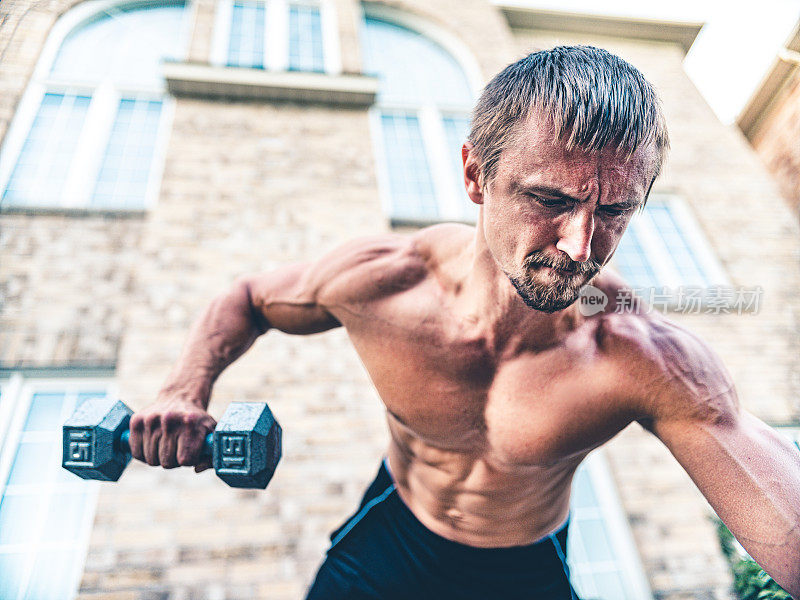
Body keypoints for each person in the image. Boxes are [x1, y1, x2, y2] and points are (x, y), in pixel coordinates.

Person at [128, 46, 800, 599]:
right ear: (476, 175)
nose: (579, 246)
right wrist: (184, 389)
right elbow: (246, 298)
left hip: (523, 568)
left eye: (616, 211)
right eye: (549, 198)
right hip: (389, 535)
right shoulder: (384, 282)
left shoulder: (642, 356)